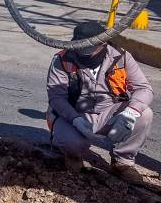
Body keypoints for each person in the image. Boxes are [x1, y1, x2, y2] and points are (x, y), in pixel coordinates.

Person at [47, 20, 154, 184]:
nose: (82, 55)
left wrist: (130, 113)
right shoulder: (62, 60)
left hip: (108, 113)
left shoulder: (120, 56)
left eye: (88, 52)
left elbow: (144, 88)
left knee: (144, 114)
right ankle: (72, 156)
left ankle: (122, 162)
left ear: (103, 44)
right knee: (69, 141)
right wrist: (75, 120)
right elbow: (56, 97)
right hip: (75, 114)